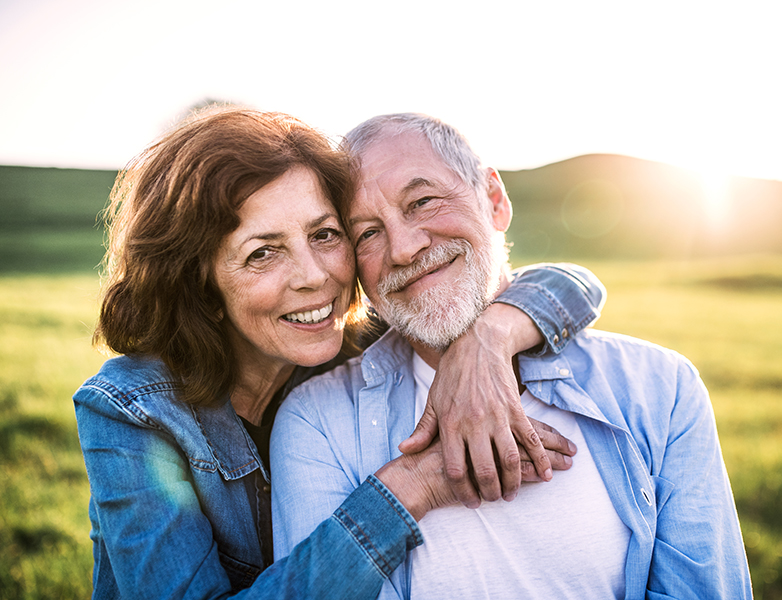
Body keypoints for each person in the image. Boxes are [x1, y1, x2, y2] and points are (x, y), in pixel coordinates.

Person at [72, 106, 605, 599]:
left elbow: (570, 282)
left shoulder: (360, 344)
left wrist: (486, 341)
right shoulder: (131, 412)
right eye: (263, 253)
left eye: (326, 234)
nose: (316, 277)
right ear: (199, 284)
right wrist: (409, 487)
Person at [271, 113, 754, 599]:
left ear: (495, 201)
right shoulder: (318, 421)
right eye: (367, 234)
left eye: (422, 202)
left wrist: (488, 340)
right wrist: (414, 483)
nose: (404, 247)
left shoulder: (660, 387)